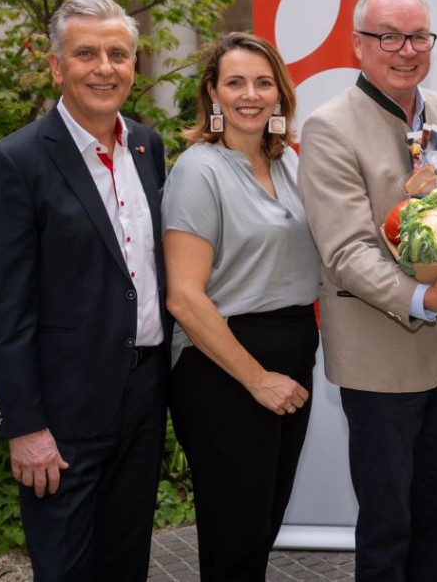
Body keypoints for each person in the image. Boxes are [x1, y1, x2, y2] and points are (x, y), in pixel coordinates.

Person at [298, 0, 437, 582]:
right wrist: (422, 297)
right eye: (388, 36)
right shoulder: (329, 126)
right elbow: (345, 251)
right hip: (379, 353)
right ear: (359, 46)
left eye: (418, 36)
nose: (405, 49)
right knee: (388, 522)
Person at [0, 0, 169, 581]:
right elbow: (4, 310)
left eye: (118, 53)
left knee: (127, 562)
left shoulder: (147, 145)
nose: (104, 67)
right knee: (65, 569)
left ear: (135, 66)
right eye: (86, 53)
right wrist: (25, 428)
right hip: (61, 417)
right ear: (57, 67)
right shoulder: (15, 162)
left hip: (143, 397)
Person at [162, 32, 319, 581]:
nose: (249, 94)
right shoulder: (197, 170)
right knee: (234, 541)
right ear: (212, 93)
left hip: (294, 351)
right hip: (224, 368)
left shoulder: (290, 166)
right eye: (235, 82)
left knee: (259, 529)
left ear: (279, 93)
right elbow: (183, 296)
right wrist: (256, 379)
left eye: (262, 82)